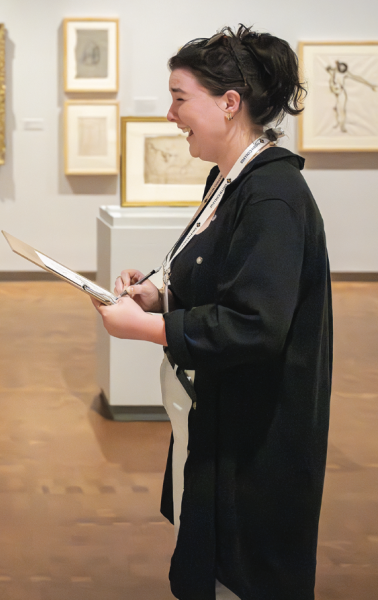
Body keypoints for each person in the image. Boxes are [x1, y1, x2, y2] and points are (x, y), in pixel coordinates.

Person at [92, 25, 332, 600]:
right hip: (220, 419)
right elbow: (221, 276)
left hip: (256, 437)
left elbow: (256, 323)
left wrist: (150, 328)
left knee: (242, 574)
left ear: (229, 103)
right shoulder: (230, 179)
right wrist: (159, 295)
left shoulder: (272, 194)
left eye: (180, 98)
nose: (171, 115)